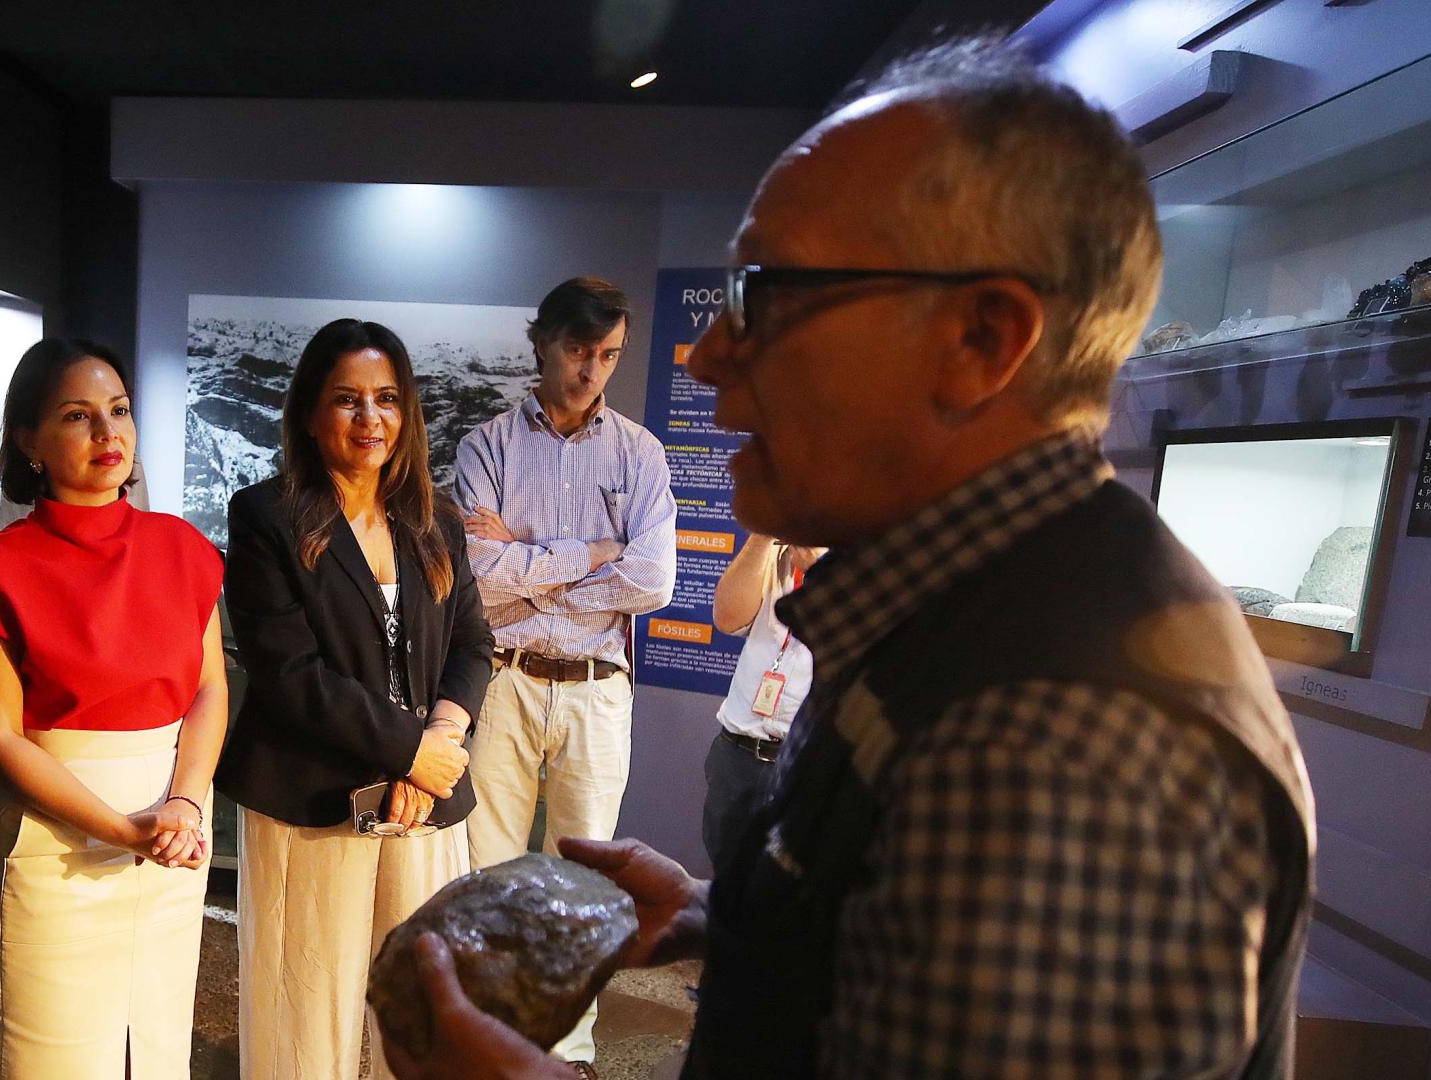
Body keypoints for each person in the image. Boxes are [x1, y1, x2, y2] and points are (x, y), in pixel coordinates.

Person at [383, 38, 1314, 1079]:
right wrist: (741, 922)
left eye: (767, 295)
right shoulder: (968, 622)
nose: (706, 354)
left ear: (980, 339)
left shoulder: (1043, 741)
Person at [0, 338, 226, 1078]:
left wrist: (184, 807)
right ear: (29, 440)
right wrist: (125, 828)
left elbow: (208, 691)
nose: (109, 434)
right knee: (45, 1057)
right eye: (77, 416)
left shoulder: (183, 546)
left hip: (172, 832)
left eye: (119, 411)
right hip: (53, 844)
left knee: (155, 1051)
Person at [220, 318, 494, 1080]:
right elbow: (290, 673)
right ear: (310, 413)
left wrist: (437, 741)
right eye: (347, 400)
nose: (370, 419)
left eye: (385, 399)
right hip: (313, 798)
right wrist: (411, 751)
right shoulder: (267, 515)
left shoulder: (434, 518)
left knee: (416, 1004)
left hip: (425, 802)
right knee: (309, 1004)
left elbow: (473, 642)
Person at [453, 275, 676, 1072]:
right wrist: (596, 550)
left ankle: (571, 1050)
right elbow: (476, 573)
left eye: (608, 354)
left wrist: (528, 559)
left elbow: (654, 583)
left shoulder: (640, 453)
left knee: (586, 873)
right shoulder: (485, 446)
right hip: (505, 678)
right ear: (542, 342)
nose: (592, 370)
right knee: (491, 867)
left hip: (596, 687)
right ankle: (490, 1030)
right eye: (579, 350)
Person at [701, 534, 821, 869]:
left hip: (803, 759)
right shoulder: (775, 550)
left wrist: (819, 569)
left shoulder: (864, 555)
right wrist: (760, 537)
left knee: (796, 886)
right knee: (726, 877)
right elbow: (727, 617)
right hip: (738, 752)